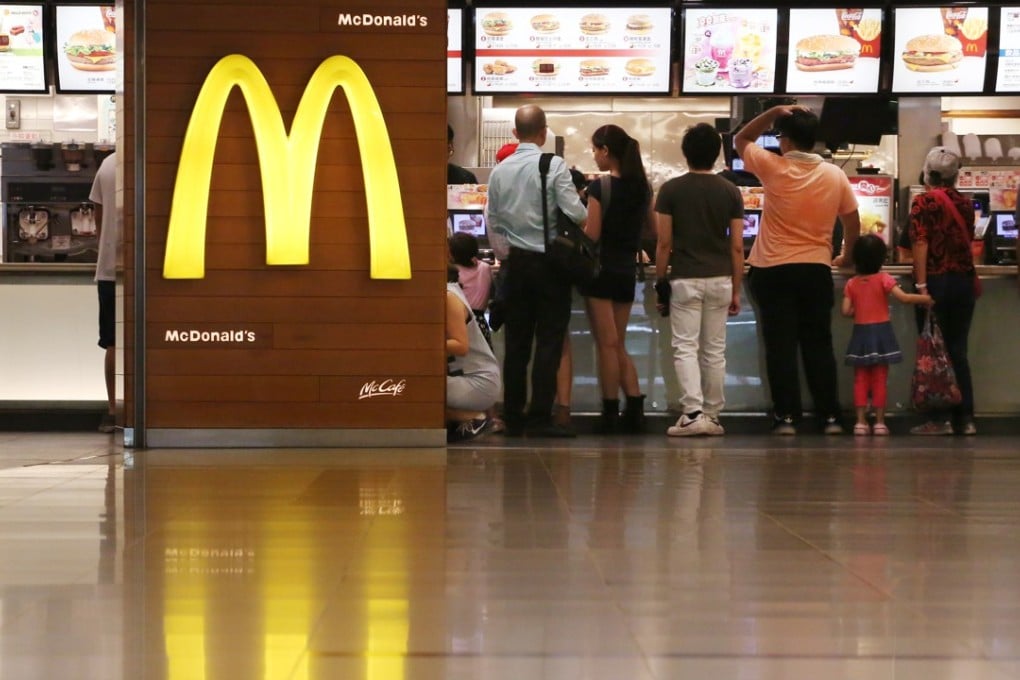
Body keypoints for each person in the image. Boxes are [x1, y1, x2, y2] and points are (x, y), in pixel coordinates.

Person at [735, 105, 861, 435]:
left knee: (781, 347)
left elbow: (741, 138)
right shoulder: (835, 175)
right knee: (818, 344)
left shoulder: (773, 166)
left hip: (773, 269)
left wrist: (774, 110)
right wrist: (846, 256)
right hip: (815, 269)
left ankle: (787, 418)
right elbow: (852, 220)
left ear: (786, 140)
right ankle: (830, 417)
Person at [486, 104, 587, 437]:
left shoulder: (499, 171)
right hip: (550, 266)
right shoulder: (553, 164)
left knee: (516, 344)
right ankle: (540, 418)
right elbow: (577, 213)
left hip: (515, 265)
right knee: (549, 342)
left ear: (515, 133)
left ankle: (512, 416)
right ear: (544, 132)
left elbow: (495, 220)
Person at [655, 123, 744, 436]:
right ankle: (713, 416)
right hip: (720, 278)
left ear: (685, 153)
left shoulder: (670, 190)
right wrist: (737, 288)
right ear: (717, 153)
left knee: (685, 347)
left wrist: (660, 279)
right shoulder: (730, 191)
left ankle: (692, 414)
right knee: (714, 350)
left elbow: (664, 243)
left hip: (685, 279)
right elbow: (736, 245)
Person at [581, 124, 651, 434]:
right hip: (626, 272)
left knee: (607, 345)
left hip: (601, 272)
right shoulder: (642, 187)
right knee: (618, 343)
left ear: (606, 151)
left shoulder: (601, 187)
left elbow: (592, 234)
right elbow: (653, 232)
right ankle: (635, 409)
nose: (594, 156)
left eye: (596, 150)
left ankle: (610, 414)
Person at [908, 146, 978, 435]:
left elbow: (920, 243)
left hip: (935, 282)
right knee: (958, 350)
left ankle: (939, 420)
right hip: (963, 283)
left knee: (934, 352)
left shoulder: (922, 202)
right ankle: (966, 419)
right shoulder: (966, 203)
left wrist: (922, 285)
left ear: (928, 171)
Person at [841, 234, 932, 436]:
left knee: (860, 379)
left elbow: (845, 311)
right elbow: (905, 298)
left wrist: (861, 309)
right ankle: (880, 422)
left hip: (861, 334)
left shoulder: (852, 284)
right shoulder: (884, 279)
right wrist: (926, 298)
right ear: (881, 259)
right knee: (880, 379)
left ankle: (860, 422)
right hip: (882, 333)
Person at [446, 265, 501, 443]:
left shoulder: (448, 297)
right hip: (474, 378)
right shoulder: (451, 291)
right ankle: (466, 419)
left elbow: (460, 345)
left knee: (415, 390)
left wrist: (424, 345)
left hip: (477, 381)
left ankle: (474, 418)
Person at [90, 151, 118, 433]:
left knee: (113, 342)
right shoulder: (144, 164)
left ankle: (112, 410)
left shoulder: (107, 164)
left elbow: (98, 220)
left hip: (109, 270)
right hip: (139, 272)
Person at [449, 232, 493, 348]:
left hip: (461, 322)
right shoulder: (485, 268)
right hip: (481, 322)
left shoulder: (454, 273)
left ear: (452, 255)